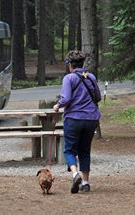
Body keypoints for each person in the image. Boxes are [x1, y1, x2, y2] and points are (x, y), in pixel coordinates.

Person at [53, 50, 101, 193]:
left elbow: (66, 98)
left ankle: (75, 175)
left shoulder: (69, 78)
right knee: (84, 151)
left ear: (69, 64)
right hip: (91, 119)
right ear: (82, 63)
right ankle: (85, 183)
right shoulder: (91, 77)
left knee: (69, 150)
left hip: (74, 118)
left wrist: (57, 105)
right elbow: (97, 96)